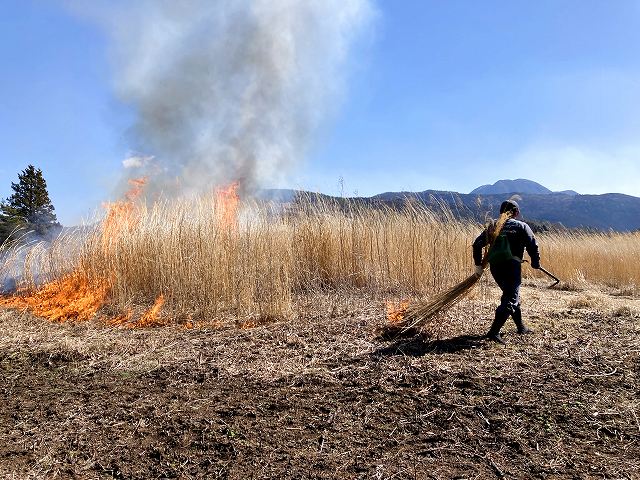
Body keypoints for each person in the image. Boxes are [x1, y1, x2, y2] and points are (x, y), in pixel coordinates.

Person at [472, 199, 540, 344]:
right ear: (516, 212)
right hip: (512, 267)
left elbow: (477, 245)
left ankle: (521, 327)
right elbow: (533, 246)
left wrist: (478, 267)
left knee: (511, 295)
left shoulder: (493, 226)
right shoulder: (522, 226)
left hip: (496, 268)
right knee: (511, 298)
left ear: (501, 212)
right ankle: (493, 332)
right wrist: (535, 262)